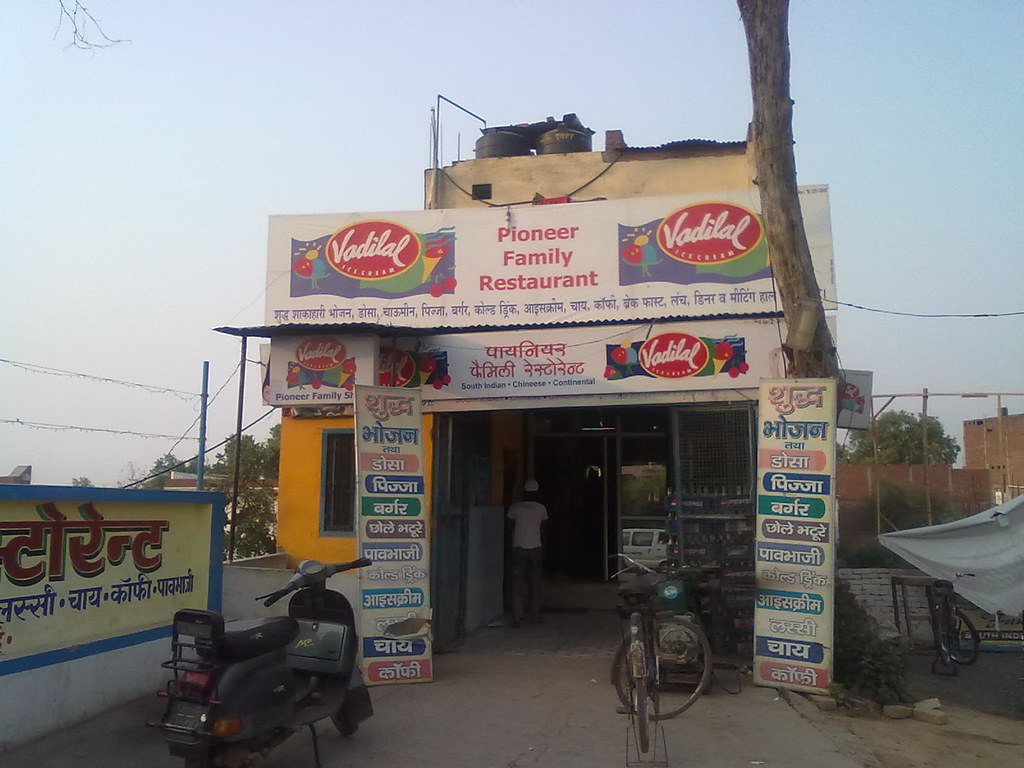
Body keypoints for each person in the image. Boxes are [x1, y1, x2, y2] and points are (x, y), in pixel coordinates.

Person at [507, 478, 547, 627]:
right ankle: (535, 615)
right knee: (535, 584)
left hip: (518, 548)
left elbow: (509, 527)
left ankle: (517, 617)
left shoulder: (515, 508)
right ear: (536, 493)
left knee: (517, 584)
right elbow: (544, 531)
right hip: (536, 548)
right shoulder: (541, 509)